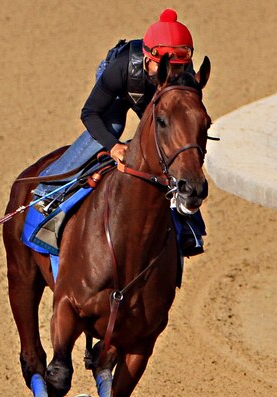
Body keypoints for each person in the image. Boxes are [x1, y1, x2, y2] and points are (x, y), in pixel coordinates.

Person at [34, 8, 205, 257]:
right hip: (120, 88)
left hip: (154, 98)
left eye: (179, 67)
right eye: (167, 66)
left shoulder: (181, 75)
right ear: (148, 58)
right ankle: (51, 190)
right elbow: (89, 113)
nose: (174, 74)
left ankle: (190, 227)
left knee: (173, 143)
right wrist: (113, 146)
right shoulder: (120, 69)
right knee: (113, 126)